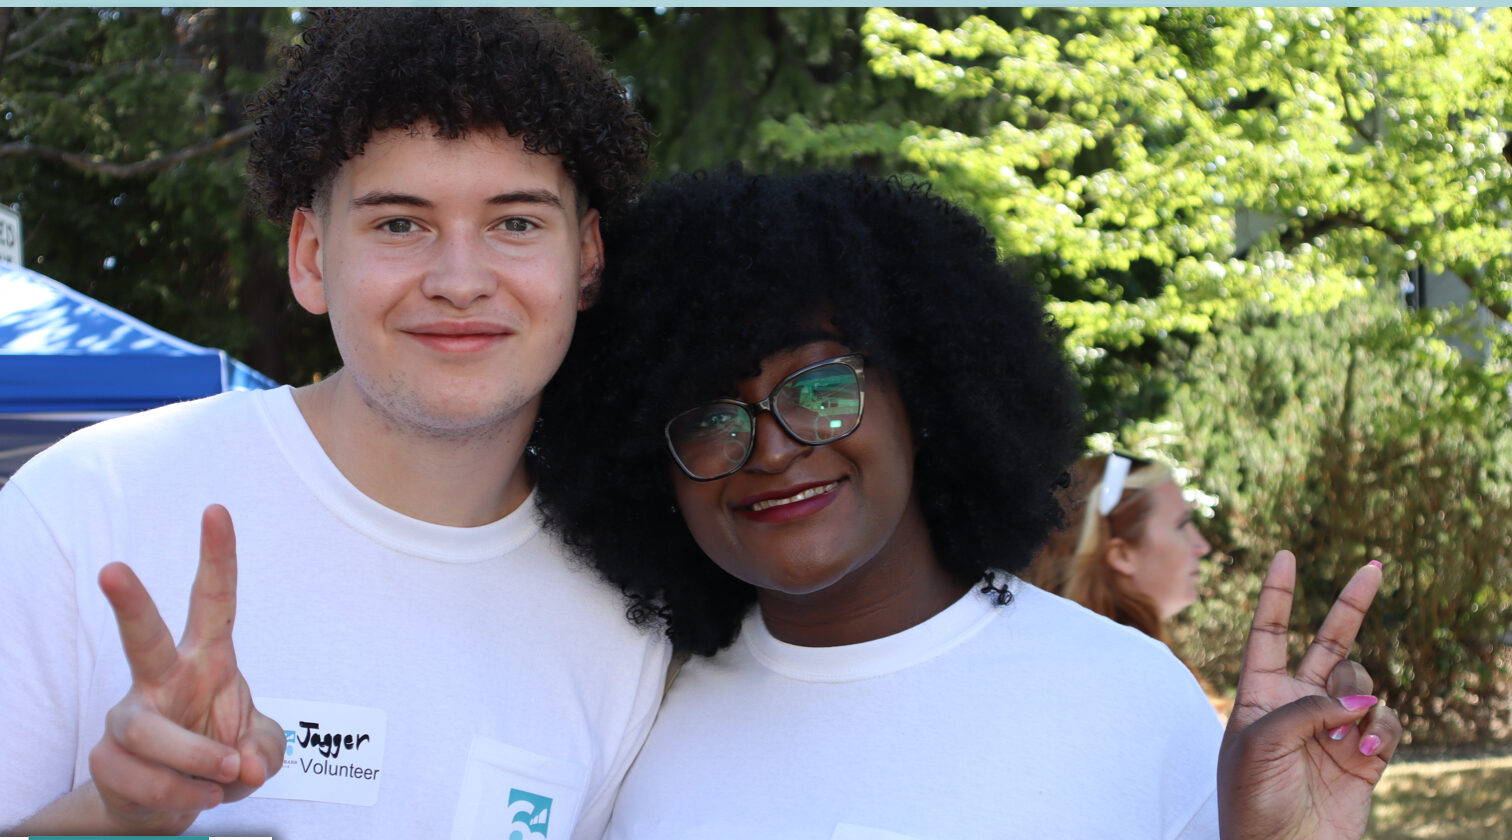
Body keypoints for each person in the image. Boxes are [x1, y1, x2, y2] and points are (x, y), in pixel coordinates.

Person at [534, 168, 1402, 839]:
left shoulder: (1123, 698)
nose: (771, 446)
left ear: (925, 394)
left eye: (823, 385)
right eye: (713, 418)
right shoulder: (643, 726)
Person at [0, 9, 669, 838]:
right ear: (311, 258)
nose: (460, 280)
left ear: (587, 259)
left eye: (516, 223)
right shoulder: (85, 507)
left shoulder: (625, 624)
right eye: (400, 223)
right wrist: (111, 818)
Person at [1028, 453, 1211, 643]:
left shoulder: (1040, 644)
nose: (1202, 546)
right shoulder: (1137, 664)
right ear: (1122, 555)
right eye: (1181, 525)